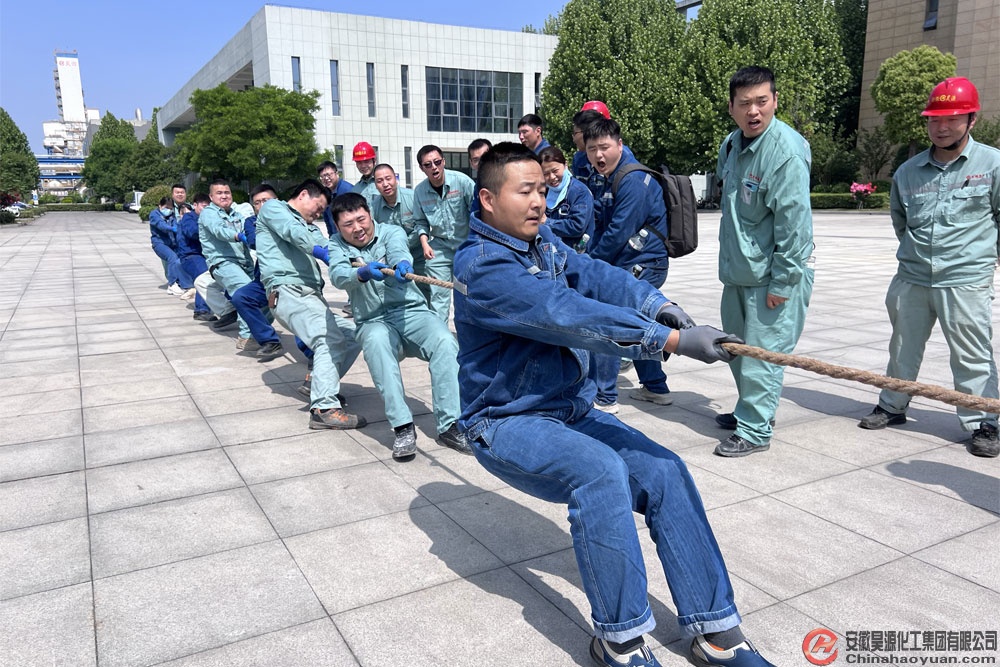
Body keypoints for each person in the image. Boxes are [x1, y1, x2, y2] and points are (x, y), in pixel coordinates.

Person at [452, 142, 773, 667]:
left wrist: (657, 304)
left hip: (569, 411)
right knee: (600, 471)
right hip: (506, 420)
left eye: (542, 190)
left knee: (666, 471)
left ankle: (715, 628)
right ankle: (619, 640)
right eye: (525, 191)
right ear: (488, 200)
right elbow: (563, 313)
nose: (538, 201)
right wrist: (667, 341)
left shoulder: (542, 242)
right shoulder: (483, 266)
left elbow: (594, 274)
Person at [858, 76, 1000, 458]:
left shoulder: (992, 165)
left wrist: (985, 262)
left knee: (971, 354)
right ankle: (892, 405)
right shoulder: (908, 172)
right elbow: (901, 222)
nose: (942, 127)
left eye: (952, 119)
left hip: (965, 279)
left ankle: (983, 421)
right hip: (913, 277)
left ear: (971, 119)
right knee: (902, 347)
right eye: (935, 119)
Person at [713, 65, 814, 458]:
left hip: (772, 277)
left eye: (761, 101)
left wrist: (782, 283)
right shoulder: (731, 145)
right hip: (738, 272)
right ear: (731, 107)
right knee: (738, 351)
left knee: (763, 357)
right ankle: (750, 412)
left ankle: (755, 430)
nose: (753, 111)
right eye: (744, 103)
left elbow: (795, 226)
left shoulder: (786, 152)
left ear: (775, 101)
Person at [328, 192, 470, 458]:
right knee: (376, 344)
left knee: (445, 342)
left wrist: (402, 264)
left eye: (361, 219)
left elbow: (398, 249)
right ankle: (403, 427)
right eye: (348, 224)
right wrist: (360, 273)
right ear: (338, 227)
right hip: (372, 320)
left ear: (370, 214)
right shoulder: (336, 244)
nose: (357, 228)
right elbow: (337, 274)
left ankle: (450, 424)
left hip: (411, 312)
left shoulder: (390, 231)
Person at [254, 179, 365, 430]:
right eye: (319, 207)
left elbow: (329, 246)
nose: (318, 213)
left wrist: (357, 261)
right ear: (304, 194)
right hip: (288, 291)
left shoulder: (309, 227)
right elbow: (294, 233)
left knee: (354, 334)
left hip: (310, 296)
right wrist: (321, 252)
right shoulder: (274, 208)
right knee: (328, 339)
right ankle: (324, 408)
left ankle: (318, 383)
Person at [585, 118, 671, 412]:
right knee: (637, 325)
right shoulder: (609, 176)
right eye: (592, 149)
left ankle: (605, 397)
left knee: (611, 322)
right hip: (632, 261)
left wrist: (590, 262)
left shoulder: (633, 180)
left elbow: (618, 232)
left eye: (604, 147)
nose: (598, 155)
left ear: (619, 145)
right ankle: (655, 387)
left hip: (643, 264)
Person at [198, 178, 284, 361]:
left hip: (245, 263)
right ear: (211, 197)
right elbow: (218, 230)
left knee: (265, 294)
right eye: (219, 193)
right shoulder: (208, 213)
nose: (224, 196)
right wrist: (238, 236)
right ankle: (248, 337)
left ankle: (261, 330)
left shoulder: (237, 214)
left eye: (227, 192)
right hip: (223, 263)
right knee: (244, 292)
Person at [411, 144, 476, 321]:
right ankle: (440, 334)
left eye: (437, 162)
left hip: (466, 245)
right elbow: (420, 222)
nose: (434, 167)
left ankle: (472, 331)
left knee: (470, 293)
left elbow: (477, 212)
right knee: (438, 296)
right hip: (440, 248)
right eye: (428, 165)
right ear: (422, 168)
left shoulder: (462, 182)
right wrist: (425, 244)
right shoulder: (420, 191)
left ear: (444, 161)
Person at [369, 163, 429, 304]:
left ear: (395, 179)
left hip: (419, 255)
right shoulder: (374, 207)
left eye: (388, 178)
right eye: (379, 181)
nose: (385, 184)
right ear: (375, 185)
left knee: (424, 289)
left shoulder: (413, 197)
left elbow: (424, 224)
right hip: (393, 258)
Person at [539, 145, 594, 250]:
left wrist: (547, 222)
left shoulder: (579, 192)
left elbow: (578, 226)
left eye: (555, 171)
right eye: (546, 174)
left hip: (575, 254)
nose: (552, 177)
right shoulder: (543, 192)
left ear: (565, 165)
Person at [175, 195, 216, 321]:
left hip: (203, 255)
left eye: (209, 207)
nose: (206, 209)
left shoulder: (210, 217)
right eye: (204, 206)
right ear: (195, 205)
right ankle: (201, 310)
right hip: (190, 255)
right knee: (204, 276)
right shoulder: (189, 218)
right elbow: (192, 232)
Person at [149, 197, 196, 299]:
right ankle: (172, 284)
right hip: (159, 243)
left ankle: (183, 284)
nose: (169, 210)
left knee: (180, 259)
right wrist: (172, 228)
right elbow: (161, 225)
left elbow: (176, 224)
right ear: (160, 206)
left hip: (172, 243)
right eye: (166, 207)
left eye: (170, 208)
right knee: (172, 258)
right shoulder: (154, 214)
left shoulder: (171, 215)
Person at [318, 160, 354, 236]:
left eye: (328, 175)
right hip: (336, 237)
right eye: (323, 176)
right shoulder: (325, 193)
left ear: (337, 173)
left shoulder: (348, 190)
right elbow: (327, 219)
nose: (326, 178)